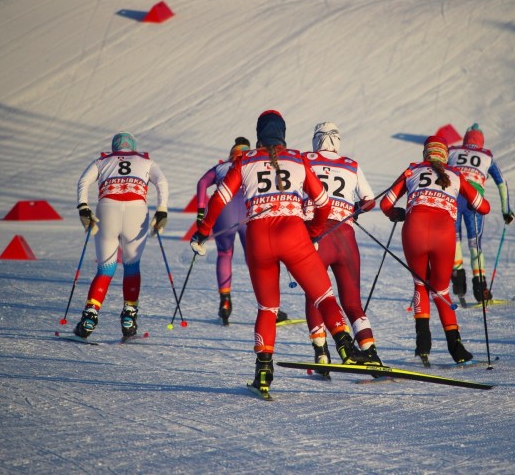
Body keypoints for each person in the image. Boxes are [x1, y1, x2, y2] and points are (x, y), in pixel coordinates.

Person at [190, 110, 375, 397]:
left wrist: (203, 230)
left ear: (259, 136)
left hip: (259, 238)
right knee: (324, 296)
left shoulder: (245, 161)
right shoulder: (299, 158)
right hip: (293, 235)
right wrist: (312, 231)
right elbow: (323, 203)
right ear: (283, 135)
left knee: (268, 308)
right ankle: (346, 347)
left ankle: (263, 371)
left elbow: (220, 197)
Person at [380, 136, 490, 365]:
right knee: (440, 290)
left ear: (425, 154)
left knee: (420, 284)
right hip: (444, 235)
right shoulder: (456, 175)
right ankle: (456, 347)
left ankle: (423, 344)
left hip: (414, 230)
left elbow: (385, 204)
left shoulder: (412, 170)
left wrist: (397, 214)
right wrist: (470, 201)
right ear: (445, 155)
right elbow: (484, 207)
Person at [74, 132, 169, 339]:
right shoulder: (145, 160)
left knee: (106, 268)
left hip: (107, 209)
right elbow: (161, 182)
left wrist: (83, 207)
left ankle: (89, 318)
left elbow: (83, 181)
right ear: (133, 146)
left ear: (115, 147)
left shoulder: (102, 160)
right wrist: (162, 209)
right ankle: (129, 317)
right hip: (137, 211)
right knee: (132, 265)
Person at [303, 122, 380, 375]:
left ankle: (322, 353)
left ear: (317, 140)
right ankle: (370, 353)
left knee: (317, 296)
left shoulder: (305, 159)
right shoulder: (351, 164)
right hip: (345, 236)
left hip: (316, 235)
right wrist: (354, 208)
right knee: (352, 301)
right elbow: (369, 201)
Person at [196, 137, 289, 326]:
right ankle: (272, 309)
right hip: (249, 215)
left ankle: (225, 302)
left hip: (223, 214)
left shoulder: (222, 167)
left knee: (224, 253)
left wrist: (200, 209)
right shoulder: (254, 163)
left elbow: (202, 183)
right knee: (257, 260)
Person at [447, 123, 515, 303]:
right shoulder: (487, 156)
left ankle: (458, 282)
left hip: (453, 197)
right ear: (481, 141)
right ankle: (480, 288)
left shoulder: (452, 151)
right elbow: (502, 183)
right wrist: (506, 210)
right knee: (475, 244)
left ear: (466, 139)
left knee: (454, 240)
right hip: (474, 200)